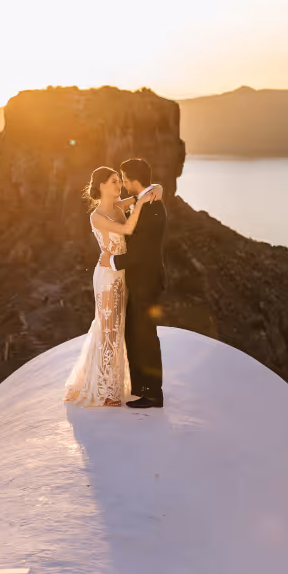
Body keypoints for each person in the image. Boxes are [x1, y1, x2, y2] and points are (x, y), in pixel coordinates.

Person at [62, 166, 161, 407]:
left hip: (122, 274)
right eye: (114, 181)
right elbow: (127, 229)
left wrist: (157, 187)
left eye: (119, 180)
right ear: (102, 185)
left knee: (118, 328)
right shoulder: (96, 216)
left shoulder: (118, 207)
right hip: (107, 276)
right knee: (107, 329)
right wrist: (140, 204)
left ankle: (112, 386)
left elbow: (142, 195)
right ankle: (104, 390)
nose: (120, 185)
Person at [109, 158, 168, 409]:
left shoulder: (152, 206)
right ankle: (143, 388)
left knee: (145, 336)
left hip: (146, 280)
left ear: (135, 180)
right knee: (135, 333)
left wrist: (113, 261)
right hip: (141, 279)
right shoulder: (146, 199)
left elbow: (143, 250)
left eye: (125, 179)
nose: (123, 184)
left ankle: (153, 394)